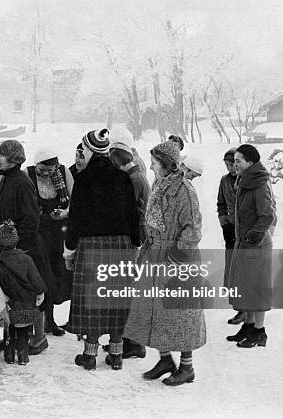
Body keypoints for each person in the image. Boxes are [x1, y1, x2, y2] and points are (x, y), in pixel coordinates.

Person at [123, 140, 205, 386]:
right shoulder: (159, 184)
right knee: (155, 311)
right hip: (156, 254)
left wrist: (177, 255)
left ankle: (187, 367)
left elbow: (193, 229)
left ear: (166, 164)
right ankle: (165, 359)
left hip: (177, 259)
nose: (150, 166)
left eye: (154, 162)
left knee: (180, 313)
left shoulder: (185, 190)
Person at [64, 128, 141, 371]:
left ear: (88, 151)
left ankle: (90, 354)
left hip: (91, 246)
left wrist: (69, 250)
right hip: (121, 245)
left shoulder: (83, 180)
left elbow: (75, 219)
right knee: (116, 299)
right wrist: (136, 244)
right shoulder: (122, 178)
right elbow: (133, 215)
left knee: (93, 300)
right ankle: (116, 354)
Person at [0, 139, 55, 355]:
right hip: (11, 246)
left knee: (29, 295)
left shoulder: (20, 181)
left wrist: (13, 243)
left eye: (2, 155)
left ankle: (38, 340)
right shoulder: (8, 179)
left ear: (12, 158)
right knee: (14, 295)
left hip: (25, 248)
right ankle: (15, 339)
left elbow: (30, 219)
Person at [226, 144, 276, 348]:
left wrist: (253, 236)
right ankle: (248, 325)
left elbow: (267, 215)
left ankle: (259, 332)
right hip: (245, 243)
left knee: (257, 288)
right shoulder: (245, 179)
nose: (234, 164)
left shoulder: (260, 184)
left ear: (250, 162)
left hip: (257, 245)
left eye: (238, 161)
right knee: (245, 286)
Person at [107, 141, 151, 359]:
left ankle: (132, 342)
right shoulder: (139, 174)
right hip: (139, 234)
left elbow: (126, 209)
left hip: (132, 236)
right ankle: (130, 340)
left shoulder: (132, 179)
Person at [25, 147, 74, 336]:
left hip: (58, 232)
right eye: (43, 169)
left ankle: (51, 321)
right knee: (40, 276)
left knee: (56, 273)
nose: (46, 173)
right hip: (38, 233)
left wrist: (65, 212)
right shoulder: (27, 174)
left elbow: (73, 198)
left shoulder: (63, 172)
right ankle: (37, 322)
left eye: (50, 170)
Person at [0, 220, 47, 365]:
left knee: (9, 330)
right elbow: (37, 281)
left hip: (8, 306)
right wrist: (40, 293)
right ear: (17, 240)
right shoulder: (26, 259)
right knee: (24, 331)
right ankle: (23, 356)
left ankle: (9, 354)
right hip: (26, 305)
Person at [217, 148, 243, 325]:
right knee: (232, 269)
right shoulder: (225, 180)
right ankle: (238, 306)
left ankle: (245, 308)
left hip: (244, 230)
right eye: (226, 165)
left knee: (243, 269)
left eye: (232, 164)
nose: (230, 168)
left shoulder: (245, 180)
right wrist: (223, 221)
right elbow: (221, 203)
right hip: (230, 229)